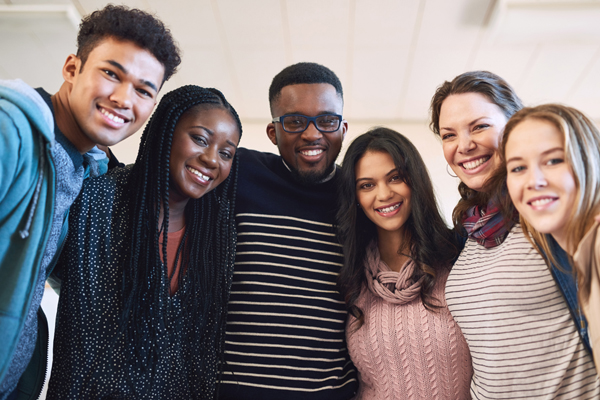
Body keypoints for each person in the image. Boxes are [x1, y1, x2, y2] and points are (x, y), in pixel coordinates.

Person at [0, 5, 180, 400]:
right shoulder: (11, 129)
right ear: (71, 68)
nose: (122, 98)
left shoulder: (90, 171)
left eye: (143, 90)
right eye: (111, 74)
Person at [46, 85, 241, 399]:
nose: (211, 159)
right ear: (165, 131)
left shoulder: (219, 234)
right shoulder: (97, 201)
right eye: (200, 139)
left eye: (226, 152)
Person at [429, 71, 599, 398]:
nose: (464, 145)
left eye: (479, 126)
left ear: (513, 125)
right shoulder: (466, 232)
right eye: (449, 135)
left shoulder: (553, 218)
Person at [218, 62, 358, 399]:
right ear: (273, 132)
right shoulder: (238, 173)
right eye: (295, 121)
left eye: (327, 120)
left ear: (342, 128)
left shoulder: (359, 195)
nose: (312, 134)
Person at [336, 128, 472, 399]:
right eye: (367, 185)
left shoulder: (459, 256)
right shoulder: (351, 276)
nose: (384, 194)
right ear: (356, 198)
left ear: (415, 181)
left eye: (395, 178)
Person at [500, 104, 600, 367]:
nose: (535, 180)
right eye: (518, 168)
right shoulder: (582, 252)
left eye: (554, 160)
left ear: (588, 160)